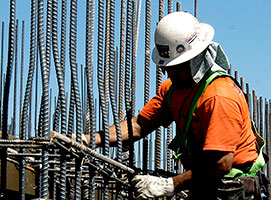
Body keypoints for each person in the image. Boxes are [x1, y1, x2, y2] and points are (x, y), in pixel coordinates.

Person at [87, 11, 260, 199]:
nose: (170, 73)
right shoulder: (173, 88)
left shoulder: (219, 95)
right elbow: (137, 127)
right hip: (204, 184)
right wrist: (88, 140)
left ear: (196, 59)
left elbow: (220, 163)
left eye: (176, 66)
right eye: (166, 67)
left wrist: (169, 185)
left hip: (230, 190)